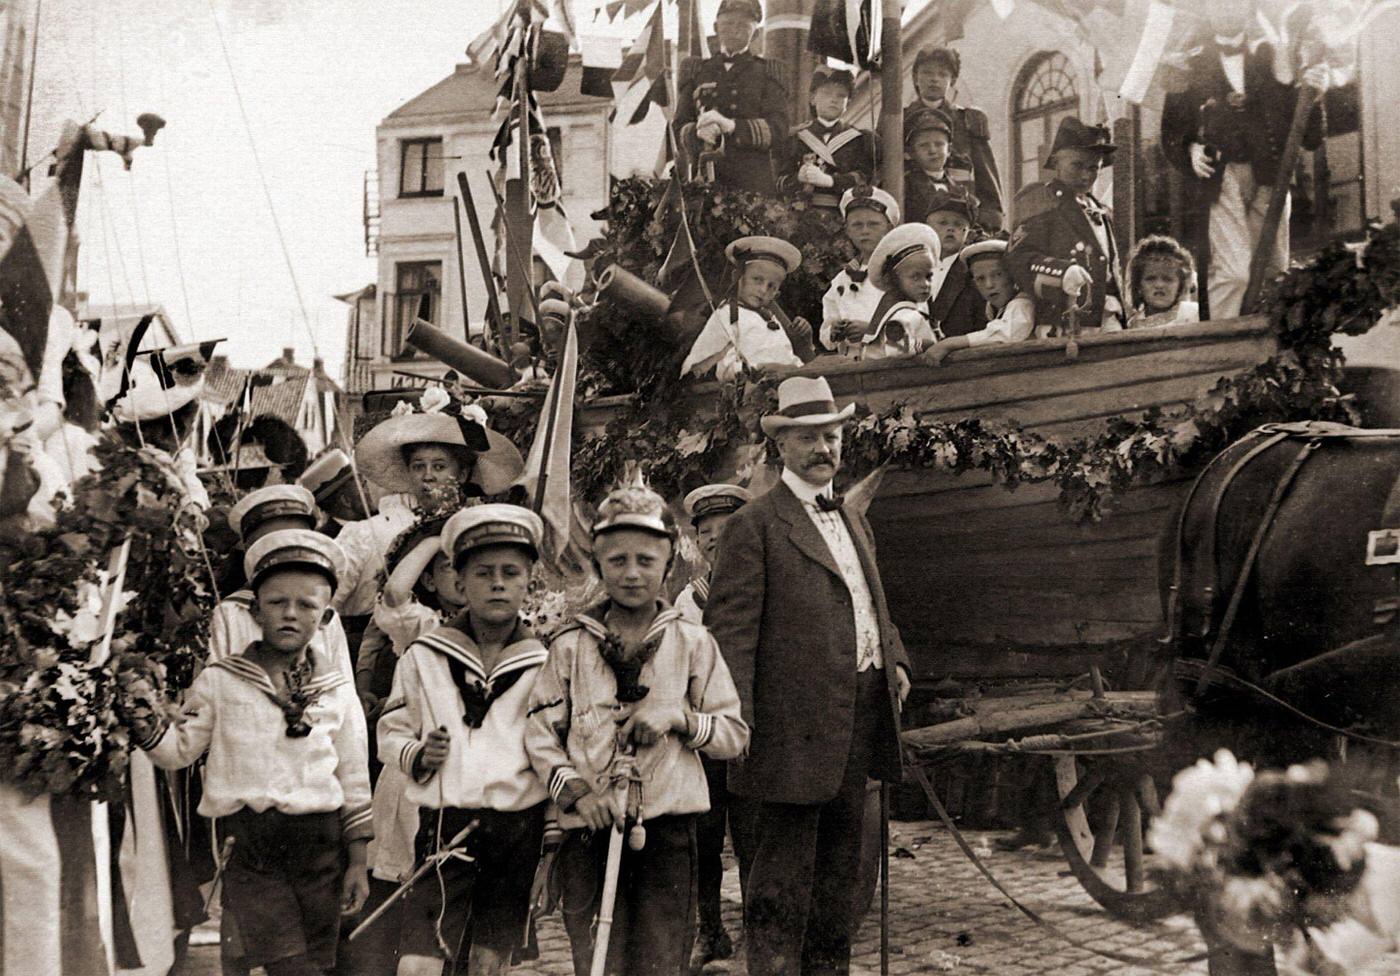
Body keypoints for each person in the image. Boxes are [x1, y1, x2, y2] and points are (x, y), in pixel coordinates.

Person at [704, 375, 911, 976]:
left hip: (857, 719)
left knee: (838, 879)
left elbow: (871, 602)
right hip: (786, 734)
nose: (825, 449)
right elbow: (729, 635)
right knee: (778, 884)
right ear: (782, 447)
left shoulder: (853, 518)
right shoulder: (756, 525)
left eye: (833, 436)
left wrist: (893, 658)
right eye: (810, 438)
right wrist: (735, 723)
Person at [525, 481, 748, 976]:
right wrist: (579, 795)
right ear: (599, 567)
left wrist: (678, 718)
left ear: (668, 566)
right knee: (597, 957)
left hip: (666, 832)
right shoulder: (570, 648)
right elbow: (540, 734)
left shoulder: (692, 643)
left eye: (646, 561)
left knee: (660, 957)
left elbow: (733, 733)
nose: (631, 574)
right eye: (618, 560)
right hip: (590, 830)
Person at [133, 529, 372, 976]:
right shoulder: (221, 681)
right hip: (253, 843)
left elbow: (353, 776)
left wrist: (358, 861)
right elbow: (180, 751)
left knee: (317, 964)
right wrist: (141, 721)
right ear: (255, 609)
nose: (289, 614)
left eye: (306, 605)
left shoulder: (334, 690)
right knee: (288, 965)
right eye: (277, 602)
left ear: (324, 620)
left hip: (322, 846)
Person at [378, 505, 555, 976]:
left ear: (528, 581)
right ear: (459, 581)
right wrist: (417, 754)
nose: (497, 583)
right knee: (420, 959)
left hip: (518, 829)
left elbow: (557, 747)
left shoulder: (545, 663)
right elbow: (391, 729)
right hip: (446, 823)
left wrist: (554, 833)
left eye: (510, 573)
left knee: (489, 960)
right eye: (483, 573)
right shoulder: (424, 656)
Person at [1160, 0, 1331, 319]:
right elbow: (1171, 131)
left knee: (1274, 271)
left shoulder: (1276, 56)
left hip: (1271, 176)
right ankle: (1222, 352)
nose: (1226, 8)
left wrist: (1315, 93)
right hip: (1221, 177)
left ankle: (1265, 355)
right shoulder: (1188, 64)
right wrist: (1189, 150)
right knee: (1234, 273)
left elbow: (1309, 137)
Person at [337, 392, 524, 647]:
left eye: (439, 467)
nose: (427, 476)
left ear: (463, 473)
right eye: (418, 466)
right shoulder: (370, 532)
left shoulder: (483, 526)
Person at [676, 483, 753, 970]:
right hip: (705, 735)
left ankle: (755, 932)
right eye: (706, 533)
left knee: (752, 835)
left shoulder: (762, 588)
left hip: (752, 730)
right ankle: (710, 929)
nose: (714, 541)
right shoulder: (689, 599)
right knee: (705, 835)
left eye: (725, 532)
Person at [213, 485, 356, 680]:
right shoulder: (230, 613)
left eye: (299, 539)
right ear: (248, 549)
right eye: (273, 544)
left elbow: (342, 682)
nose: (287, 549)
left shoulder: (324, 614)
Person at [1006, 117, 1125, 335]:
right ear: (1057, 163)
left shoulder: (1102, 210)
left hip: (1107, 319)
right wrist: (1061, 271)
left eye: (1094, 167)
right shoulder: (1042, 200)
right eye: (1077, 165)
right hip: (1063, 322)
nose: (1086, 175)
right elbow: (1018, 257)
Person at [675, 0, 789, 195]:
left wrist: (732, 126)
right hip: (704, 182)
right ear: (716, 27)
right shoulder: (697, 71)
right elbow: (679, 126)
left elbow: (779, 129)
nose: (735, 30)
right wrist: (696, 132)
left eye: (743, 25)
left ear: (756, 33)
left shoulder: (768, 72)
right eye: (728, 24)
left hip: (752, 185)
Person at [680, 236, 813, 381]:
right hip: (750, 390)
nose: (763, 290)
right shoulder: (726, 315)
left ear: (776, 293)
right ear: (738, 279)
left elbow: (791, 359)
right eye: (757, 280)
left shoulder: (771, 319)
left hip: (788, 384)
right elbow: (696, 366)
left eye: (771, 286)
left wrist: (804, 343)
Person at [903, 46, 1004, 230]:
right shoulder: (899, 121)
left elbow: (985, 176)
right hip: (913, 216)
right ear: (916, 78)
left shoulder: (968, 120)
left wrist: (989, 218)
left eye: (942, 74)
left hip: (960, 219)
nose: (934, 79)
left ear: (953, 80)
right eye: (927, 73)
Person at [922, 240, 1036, 365]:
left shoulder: (1023, 303)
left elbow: (1004, 334)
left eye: (998, 274)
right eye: (980, 278)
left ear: (1013, 275)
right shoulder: (992, 308)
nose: (989, 285)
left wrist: (949, 344)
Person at [777, 65, 875, 211]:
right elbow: (779, 183)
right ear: (812, 99)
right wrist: (798, 178)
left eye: (841, 95)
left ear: (848, 103)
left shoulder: (859, 139)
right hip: (801, 213)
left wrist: (830, 181)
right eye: (826, 93)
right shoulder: (796, 138)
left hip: (843, 213)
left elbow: (863, 179)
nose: (833, 100)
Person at [821, 187, 900, 358]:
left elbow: (917, 327)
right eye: (857, 225)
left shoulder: (901, 273)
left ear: (889, 228)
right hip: (849, 366)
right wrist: (833, 331)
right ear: (848, 230)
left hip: (889, 365)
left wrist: (871, 331)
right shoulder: (842, 279)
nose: (865, 231)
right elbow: (826, 334)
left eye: (873, 224)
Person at [859, 223, 943, 359]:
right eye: (915, 277)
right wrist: (930, 345)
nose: (925, 284)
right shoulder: (902, 314)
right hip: (888, 375)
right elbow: (895, 349)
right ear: (895, 281)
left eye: (929, 276)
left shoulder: (911, 309)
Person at [902, 108, 977, 243]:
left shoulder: (960, 190)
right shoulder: (905, 186)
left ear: (949, 150)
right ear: (911, 153)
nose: (932, 151)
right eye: (924, 145)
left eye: (939, 144)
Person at [923, 189, 988, 340]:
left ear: (968, 232)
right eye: (943, 223)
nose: (950, 229)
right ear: (928, 227)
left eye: (958, 224)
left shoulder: (972, 274)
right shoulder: (914, 266)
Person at [1125, 235, 1201, 329]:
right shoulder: (1133, 325)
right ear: (1139, 285)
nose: (1159, 285)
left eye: (1167, 279)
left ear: (1180, 285)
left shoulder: (1193, 314)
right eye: (1151, 279)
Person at [297, 449, 370, 539]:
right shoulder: (328, 542)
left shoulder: (380, 516)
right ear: (346, 500)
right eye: (363, 485)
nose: (370, 489)